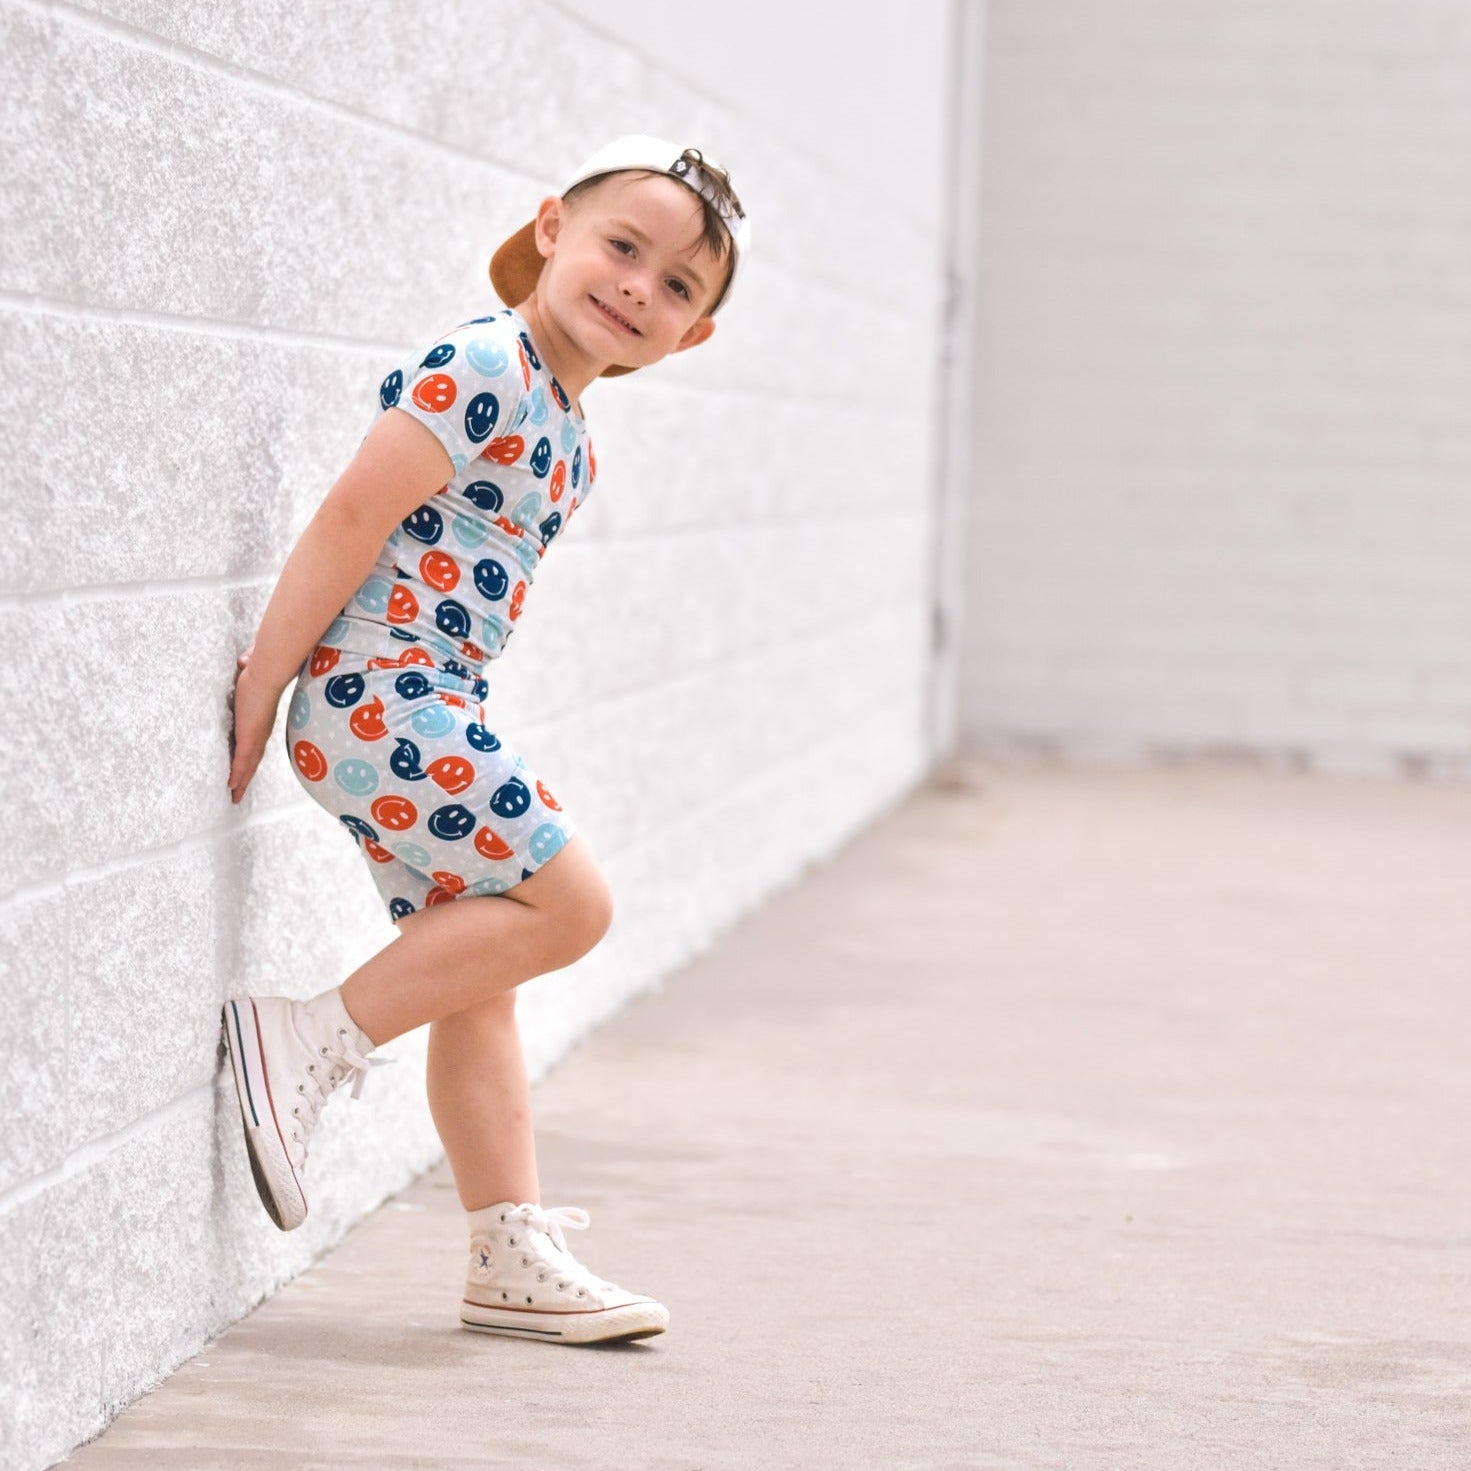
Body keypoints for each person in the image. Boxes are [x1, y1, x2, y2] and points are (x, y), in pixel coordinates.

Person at [219, 135, 749, 1346]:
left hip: (434, 706)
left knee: (488, 967)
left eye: (676, 289)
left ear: (692, 338)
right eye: (625, 247)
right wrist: (267, 680)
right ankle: (304, 1033)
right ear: (553, 227)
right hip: (380, 698)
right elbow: (355, 511)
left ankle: (505, 1251)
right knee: (573, 906)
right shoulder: (485, 363)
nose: (638, 288)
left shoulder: (569, 431)